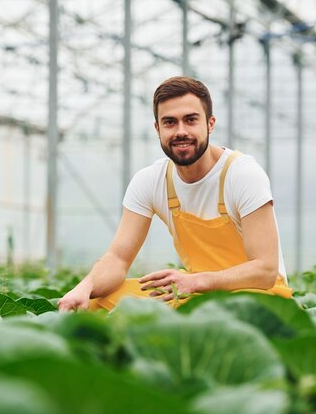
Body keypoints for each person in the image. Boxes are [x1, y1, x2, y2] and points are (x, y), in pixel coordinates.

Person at [58, 76, 292, 312]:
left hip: (258, 296)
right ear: (157, 129)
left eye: (190, 120)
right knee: (96, 303)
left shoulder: (242, 174)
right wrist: (85, 287)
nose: (181, 131)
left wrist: (195, 281)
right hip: (196, 292)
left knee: (216, 313)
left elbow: (265, 270)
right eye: (170, 122)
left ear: (210, 124)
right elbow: (118, 259)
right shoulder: (150, 181)